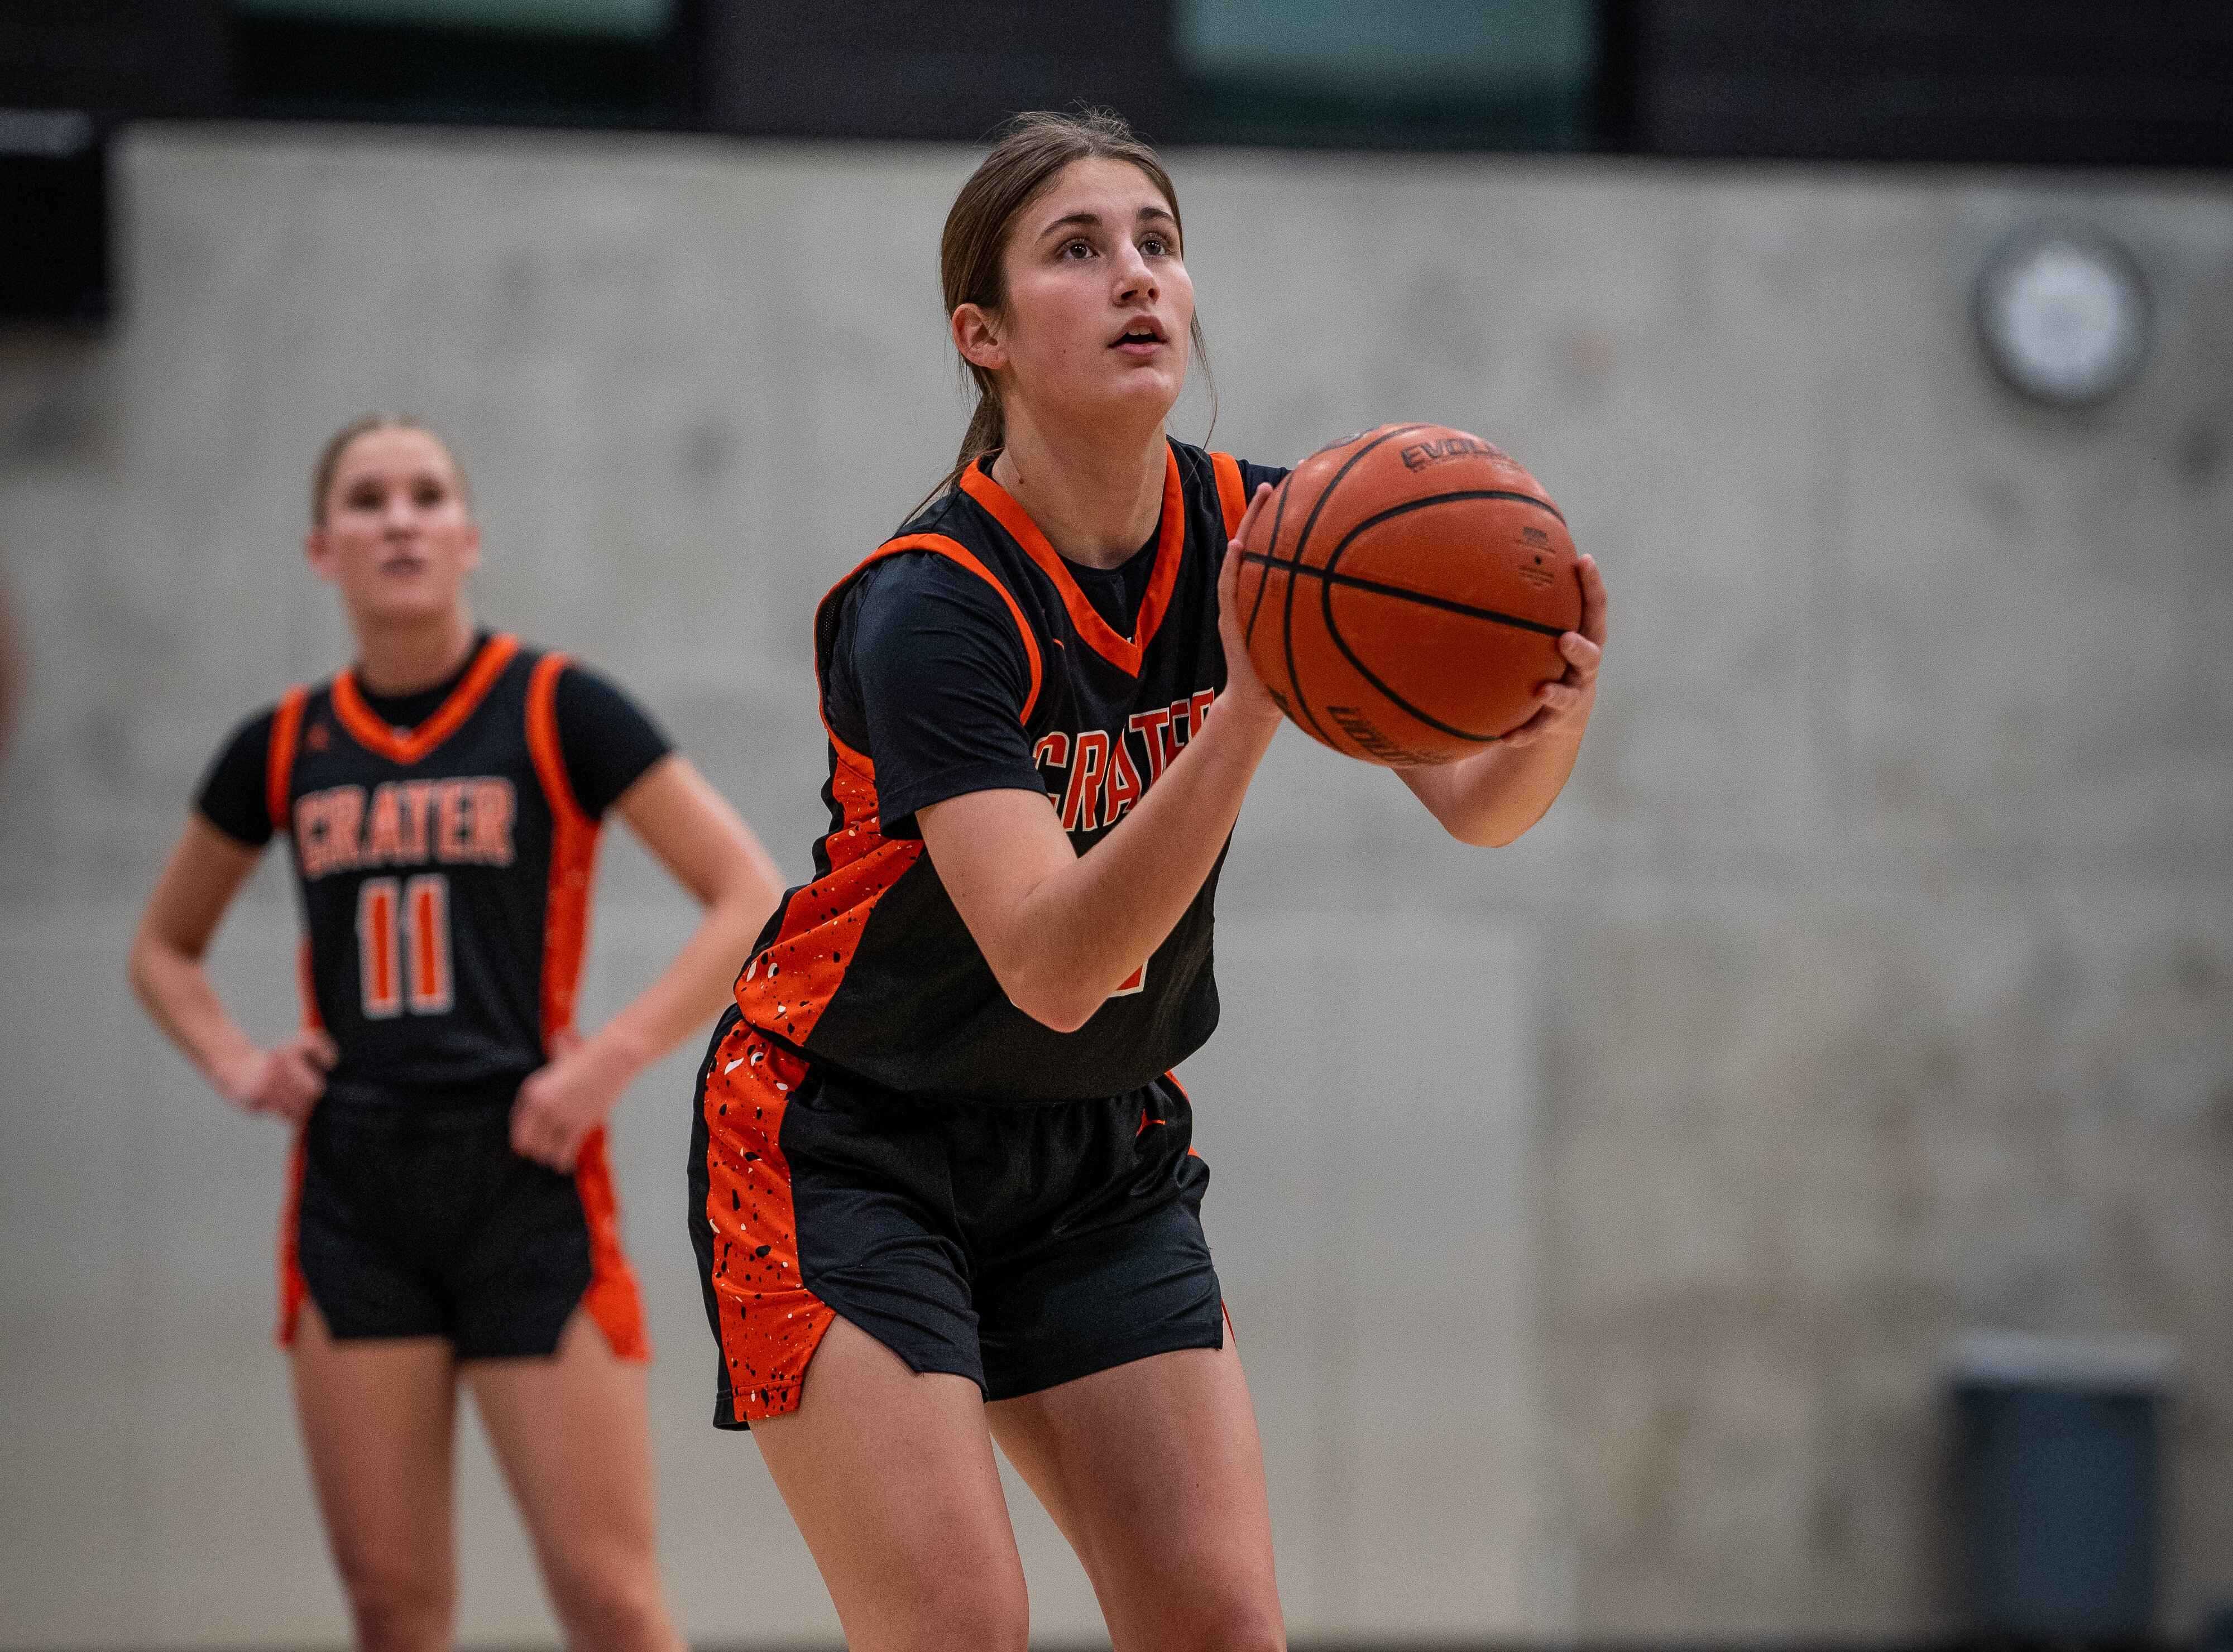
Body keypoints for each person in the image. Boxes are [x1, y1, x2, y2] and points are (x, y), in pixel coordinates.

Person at [688, 109, 1608, 1652]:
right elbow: (1051, 965)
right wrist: (1246, 709)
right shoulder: (931, 607)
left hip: (1090, 1145)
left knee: (1219, 1627)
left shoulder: (1283, 535)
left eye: (1158, 244)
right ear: (982, 336)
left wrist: (1549, 714)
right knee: (960, 1628)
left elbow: (1478, 808)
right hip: (846, 1136)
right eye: (1078, 249)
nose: (1136, 277)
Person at [131, 415, 784, 1652]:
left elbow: (748, 893)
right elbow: (162, 948)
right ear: (322, 547)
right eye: (368, 499)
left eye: (426, 495)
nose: (399, 519)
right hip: (355, 1191)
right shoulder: (284, 742)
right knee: (393, 1609)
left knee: (610, 1599)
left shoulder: (556, 706)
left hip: (525, 1177)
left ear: (468, 536)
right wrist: (238, 1062)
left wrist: (610, 1057)